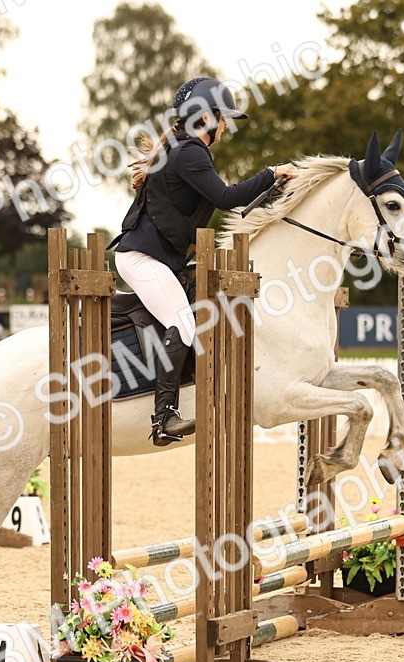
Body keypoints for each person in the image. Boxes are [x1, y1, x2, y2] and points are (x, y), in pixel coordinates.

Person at [111, 76, 297, 446]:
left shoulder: (183, 149)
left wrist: (271, 190)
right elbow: (228, 199)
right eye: (223, 117)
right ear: (206, 118)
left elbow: (236, 203)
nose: (226, 125)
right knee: (182, 323)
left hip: (156, 258)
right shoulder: (190, 152)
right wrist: (270, 173)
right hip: (142, 259)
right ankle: (163, 417)